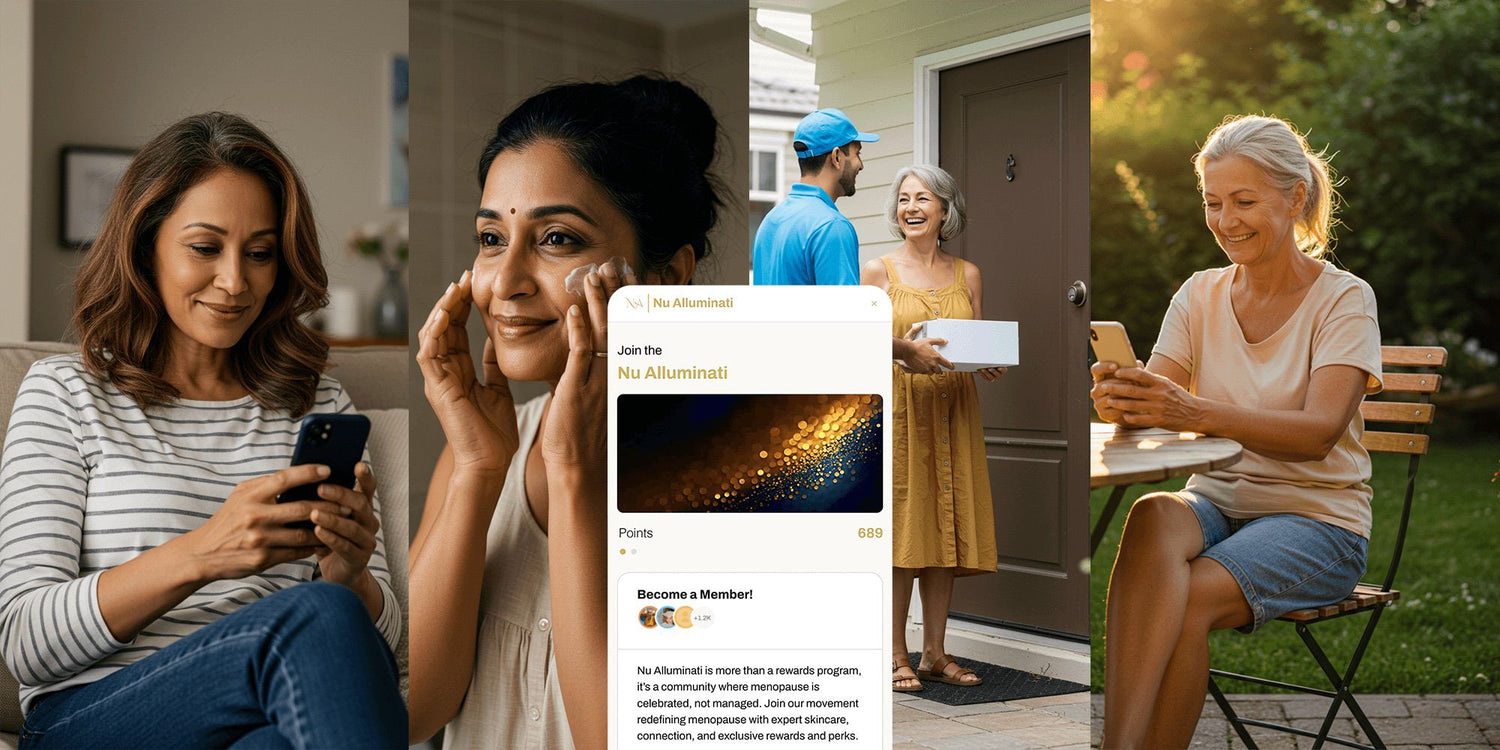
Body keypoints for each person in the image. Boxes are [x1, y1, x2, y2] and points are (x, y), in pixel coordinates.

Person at [0, 112, 404, 748]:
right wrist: (204, 553)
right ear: (146, 247)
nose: (235, 282)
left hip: (264, 718)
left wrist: (349, 574)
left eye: (260, 254)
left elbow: (382, 650)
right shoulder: (65, 392)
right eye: (205, 248)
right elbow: (26, 642)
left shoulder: (316, 402)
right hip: (92, 717)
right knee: (315, 617)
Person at [408, 75, 724, 750]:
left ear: (668, 277)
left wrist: (575, 472)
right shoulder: (486, 448)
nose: (504, 283)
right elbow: (412, 710)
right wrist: (477, 470)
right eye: (491, 238)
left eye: (556, 238)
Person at [1090, 115, 1380, 749]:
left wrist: (1194, 413)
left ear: (1295, 197)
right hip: (1217, 503)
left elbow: (1317, 434)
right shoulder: (1199, 294)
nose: (1226, 221)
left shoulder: (1345, 299)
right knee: (1152, 514)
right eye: (1213, 203)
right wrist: (1125, 400)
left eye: (1245, 202)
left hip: (1318, 521)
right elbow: (1159, 402)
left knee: (1186, 599)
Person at [860, 165, 1006, 693]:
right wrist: (905, 354)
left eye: (923, 198)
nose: (911, 208)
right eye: (904, 199)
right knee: (907, 531)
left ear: (945, 209)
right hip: (901, 414)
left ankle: (934, 653)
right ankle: (895, 653)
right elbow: (854, 341)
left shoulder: (969, 274)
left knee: (946, 529)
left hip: (955, 411)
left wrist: (987, 361)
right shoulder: (877, 272)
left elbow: (972, 340)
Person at [752, 108, 878, 285]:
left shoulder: (770, 222)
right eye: (857, 153)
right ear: (836, 157)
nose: (861, 165)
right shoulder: (831, 226)